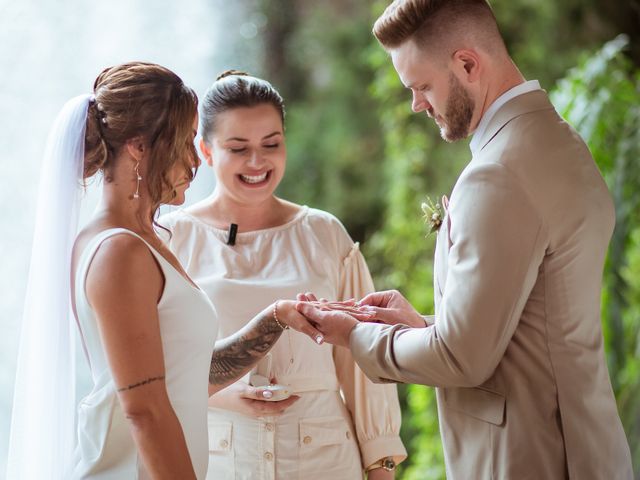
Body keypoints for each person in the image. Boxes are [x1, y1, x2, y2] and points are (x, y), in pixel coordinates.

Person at [296, 1, 634, 479]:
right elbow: (531, 325)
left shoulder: (498, 173)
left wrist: (355, 335)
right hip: (587, 447)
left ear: (467, 64)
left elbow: (461, 358)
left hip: (528, 456)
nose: (416, 104)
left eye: (422, 86)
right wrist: (419, 326)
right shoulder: (559, 142)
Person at [6, 62, 322, 480]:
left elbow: (189, 374)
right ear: (138, 146)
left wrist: (276, 319)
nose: (196, 160)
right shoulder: (118, 251)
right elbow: (145, 411)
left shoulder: (145, 240)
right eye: (186, 142)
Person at [160, 71, 406, 480]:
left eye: (271, 144)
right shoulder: (172, 239)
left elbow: (365, 361)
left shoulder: (325, 234)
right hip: (220, 461)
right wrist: (220, 395)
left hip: (326, 462)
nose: (257, 162)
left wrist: (380, 467)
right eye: (238, 148)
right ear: (205, 150)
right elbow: (149, 369)